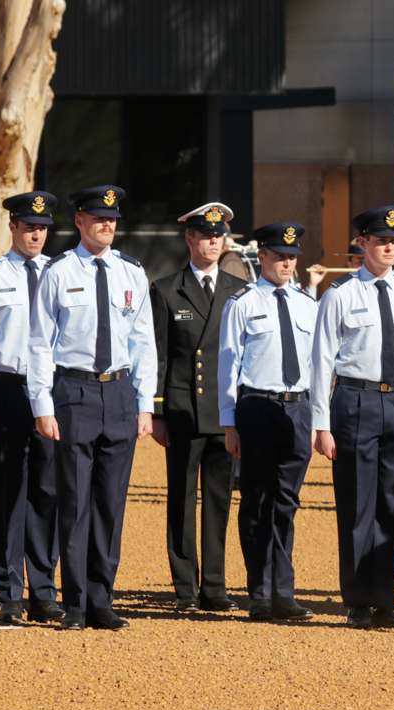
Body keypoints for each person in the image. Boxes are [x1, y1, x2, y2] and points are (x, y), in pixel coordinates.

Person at [28, 185, 156, 631]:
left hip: (119, 394)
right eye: (98, 217)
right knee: (75, 501)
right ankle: (77, 604)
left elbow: (143, 342)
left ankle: (103, 599)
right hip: (74, 392)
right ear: (79, 221)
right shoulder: (60, 271)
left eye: (113, 218)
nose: (107, 224)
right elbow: (40, 343)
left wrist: (144, 404)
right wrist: (41, 405)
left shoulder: (132, 273)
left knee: (110, 503)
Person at [311, 206, 394, 630]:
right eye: (380, 240)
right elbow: (321, 362)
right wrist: (321, 424)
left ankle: (385, 599)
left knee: (392, 505)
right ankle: (358, 600)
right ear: (362, 243)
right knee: (357, 504)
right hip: (355, 402)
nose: (388, 247)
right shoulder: (340, 293)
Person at [0, 192, 63, 624]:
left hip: (54, 394)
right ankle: (9, 595)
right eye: (28, 226)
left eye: (42, 227)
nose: (36, 234)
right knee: (6, 494)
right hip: (5, 390)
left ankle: (43, 592)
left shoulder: (61, 273)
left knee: (48, 492)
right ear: (14, 228)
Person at [149, 203, 248, 613]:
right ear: (189, 239)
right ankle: (185, 589)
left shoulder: (239, 290)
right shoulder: (166, 289)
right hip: (183, 410)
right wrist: (156, 412)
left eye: (218, 235)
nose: (213, 241)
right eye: (205, 235)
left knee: (220, 498)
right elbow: (157, 355)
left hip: (223, 412)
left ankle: (215, 587)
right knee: (182, 498)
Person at [219, 222, 318, 622]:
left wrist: (318, 419)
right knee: (258, 500)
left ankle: (284, 592)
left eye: (292, 257)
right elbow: (228, 364)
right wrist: (229, 423)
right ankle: (259, 593)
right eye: (279, 256)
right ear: (261, 256)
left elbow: (318, 364)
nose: (286, 263)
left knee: (287, 503)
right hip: (256, 406)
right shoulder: (242, 302)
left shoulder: (309, 304)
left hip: (298, 408)